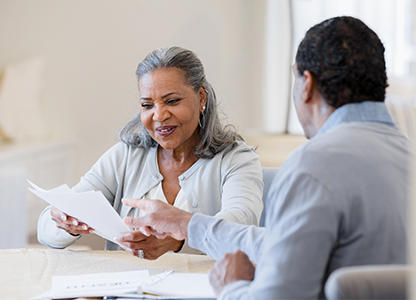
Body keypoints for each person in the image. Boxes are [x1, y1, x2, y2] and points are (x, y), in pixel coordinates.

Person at [121, 16, 413, 299]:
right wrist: (188, 225)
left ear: (306, 84)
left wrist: (231, 287)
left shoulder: (313, 166)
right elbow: (285, 246)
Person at [37, 46, 263, 260]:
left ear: (201, 97)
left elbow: (239, 226)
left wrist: (177, 239)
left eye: (172, 101)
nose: (159, 115)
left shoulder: (237, 160)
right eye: (147, 105)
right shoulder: (125, 156)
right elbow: (45, 231)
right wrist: (65, 223)